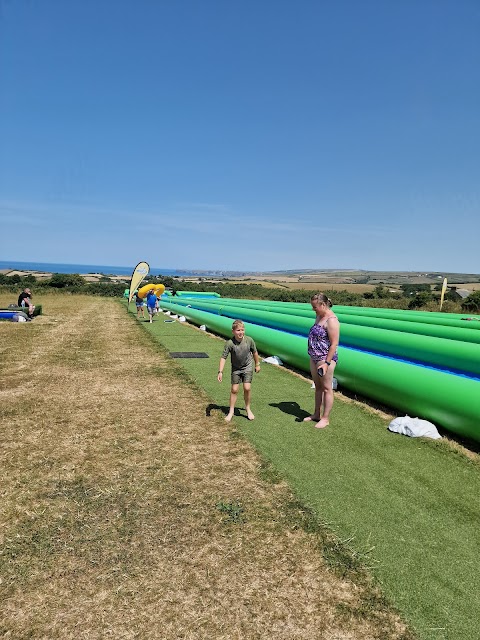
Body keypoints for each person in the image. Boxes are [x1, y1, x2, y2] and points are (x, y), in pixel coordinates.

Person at [304, 292, 340, 429]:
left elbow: (334, 344)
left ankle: (325, 418)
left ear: (323, 304)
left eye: (315, 307)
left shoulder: (332, 321)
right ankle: (316, 414)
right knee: (318, 387)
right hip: (314, 356)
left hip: (324, 358)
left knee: (326, 388)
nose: (313, 309)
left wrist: (327, 362)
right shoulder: (319, 316)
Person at [218, 319, 260, 422]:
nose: (241, 332)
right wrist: (220, 371)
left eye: (242, 330)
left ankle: (248, 408)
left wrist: (257, 364)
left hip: (247, 367)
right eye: (238, 330)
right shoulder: (230, 343)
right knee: (234, 390)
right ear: (233, 331)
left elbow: (255, 352)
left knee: (247, 387)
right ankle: (231, 411)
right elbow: (223, 357)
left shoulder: (249, 340)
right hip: (236, 369)